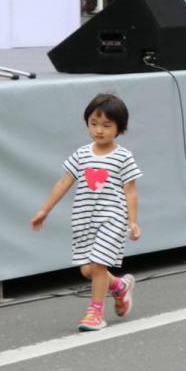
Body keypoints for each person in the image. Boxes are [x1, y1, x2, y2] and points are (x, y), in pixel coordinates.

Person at [31, 93, 141, 331]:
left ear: (119, 128)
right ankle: (120, 287)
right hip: (84, 220)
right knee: (88, 269)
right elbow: (63, 183)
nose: (99, 130)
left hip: (112, 218)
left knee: (99, 264)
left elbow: (130, 190)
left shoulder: (123, 156)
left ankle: (95, 313)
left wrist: (133, 222)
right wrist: (45, 209)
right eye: (93, 124)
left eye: (106, 125)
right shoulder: (81, 154)